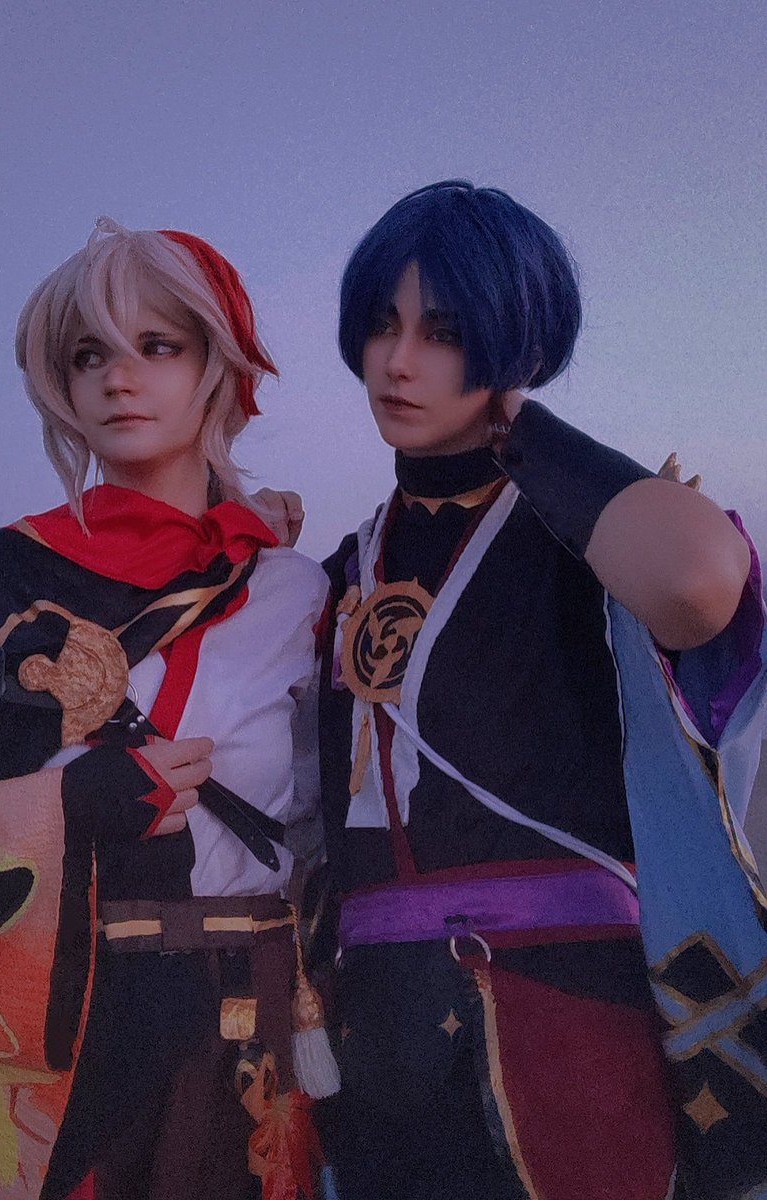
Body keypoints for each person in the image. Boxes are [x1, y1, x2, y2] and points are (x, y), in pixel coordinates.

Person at [0, 219, 330, 1199]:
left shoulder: (292, 589)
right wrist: (72, 807)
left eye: (157, 346)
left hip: (247, 1018)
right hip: (54, 1027)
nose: (117, 379)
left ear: (216, 369)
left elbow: (325, 818)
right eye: (88, 354)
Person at [315, 181, 767, 1199]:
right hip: (377, 1039)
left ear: (511, 343)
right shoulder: (347, 566)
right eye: (382, 324)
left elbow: (701, 587)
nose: (397, 361)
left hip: (572, 1021)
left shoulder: (587, 534)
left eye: (445, 333)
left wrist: (522, 423)